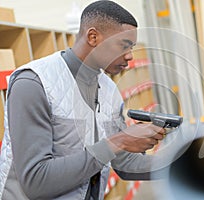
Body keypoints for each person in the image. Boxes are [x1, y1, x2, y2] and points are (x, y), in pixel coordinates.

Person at [0, 1, 167, 199]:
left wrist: (180, 162)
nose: (130, 56)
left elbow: (123, 163)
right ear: (93, 37)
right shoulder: (34, 83)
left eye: (132, 47)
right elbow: (35, 180)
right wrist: (120, 141)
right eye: (124, 46)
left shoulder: (108, 89)